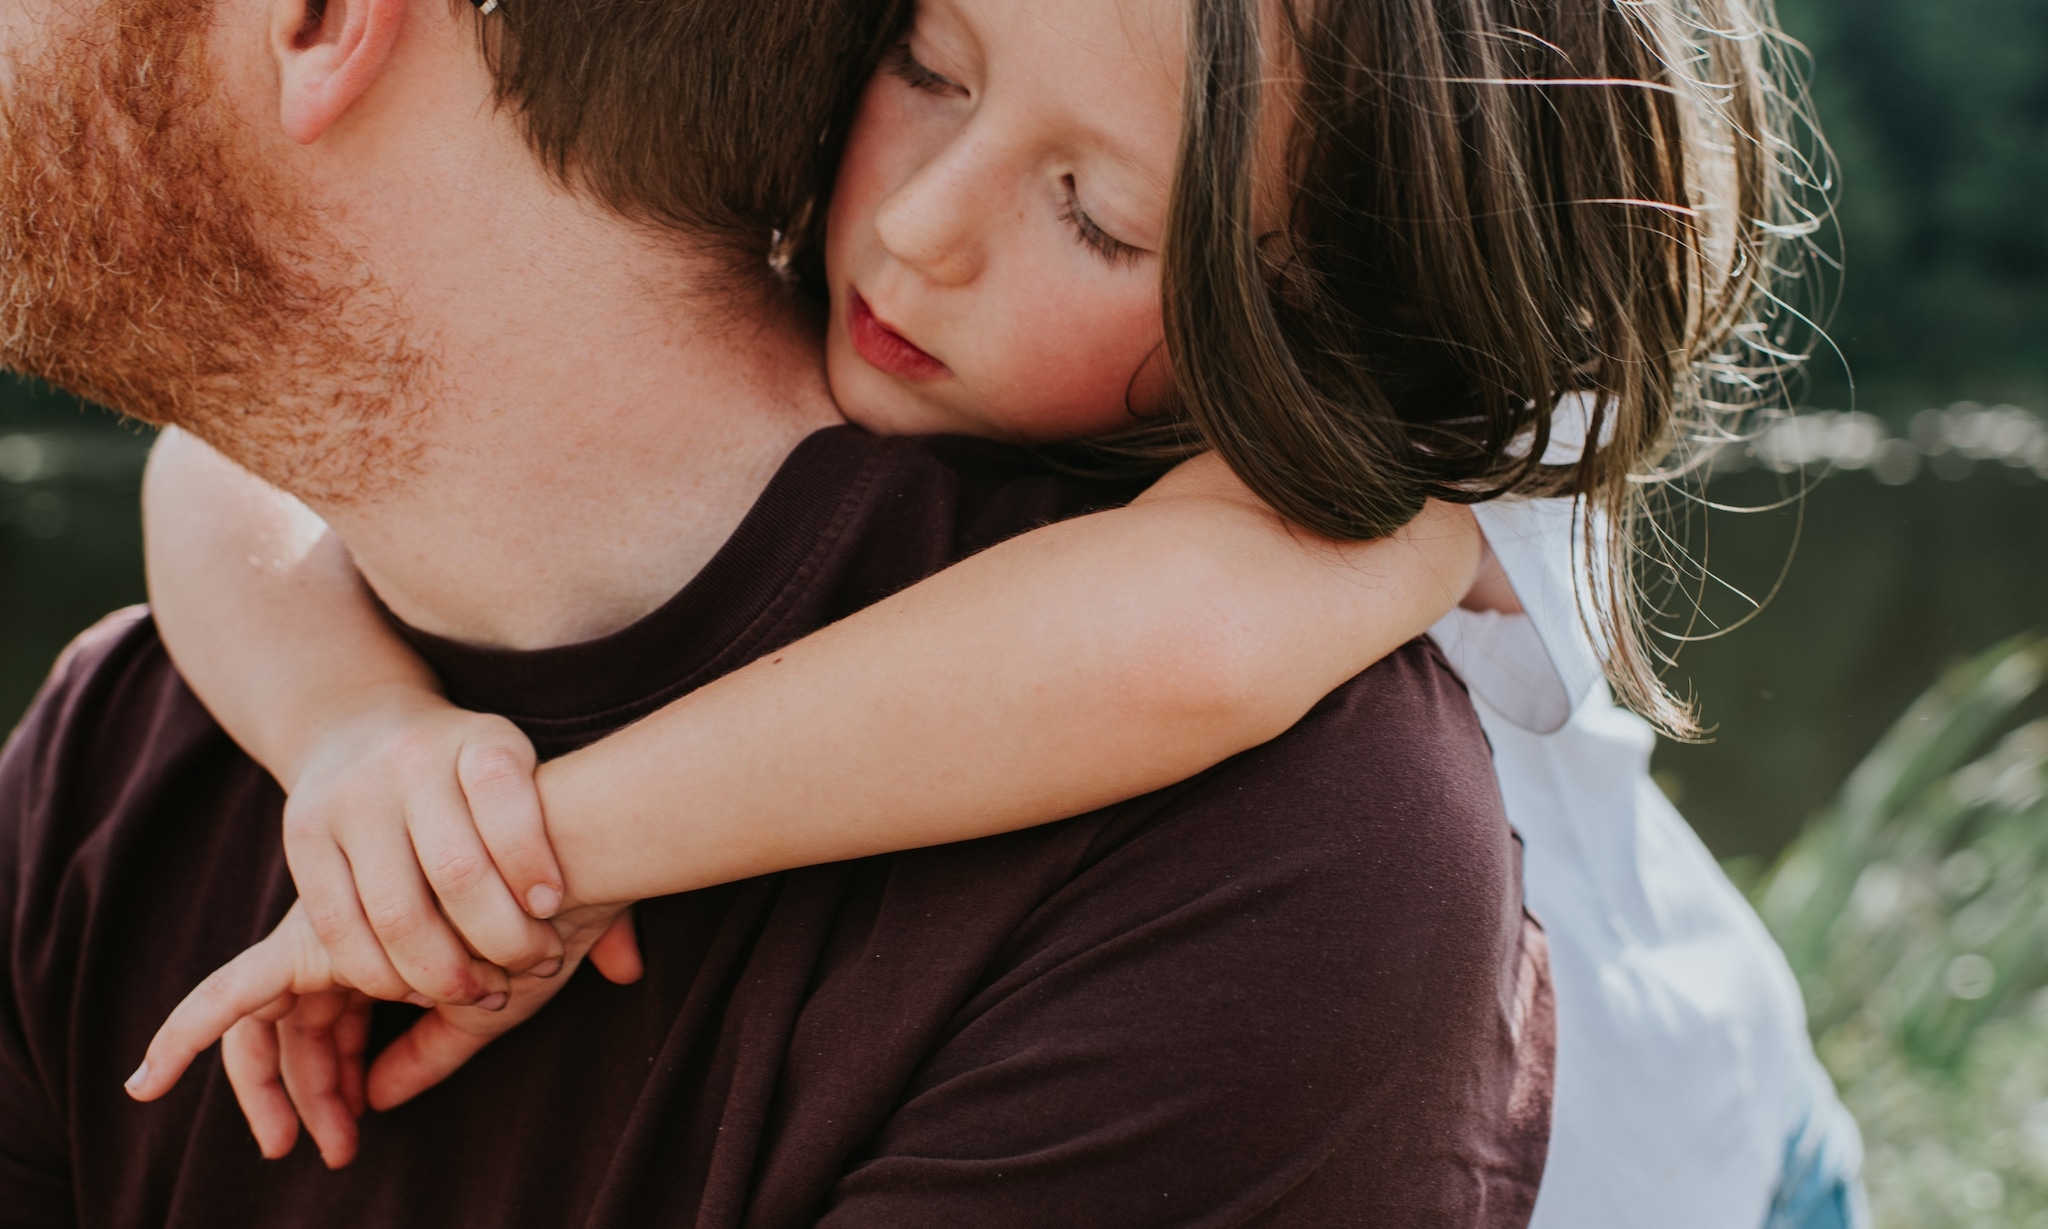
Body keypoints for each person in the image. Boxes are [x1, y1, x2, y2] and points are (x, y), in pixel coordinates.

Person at [131, 0, 1867, 1223]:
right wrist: (354, 728)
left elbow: (1168, 645)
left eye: (1098, 219)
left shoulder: (1435, 409)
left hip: (1674, 1172)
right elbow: (241, 448)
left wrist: (539, 853)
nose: (921, 219)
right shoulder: (888, 224)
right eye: (927, 61)